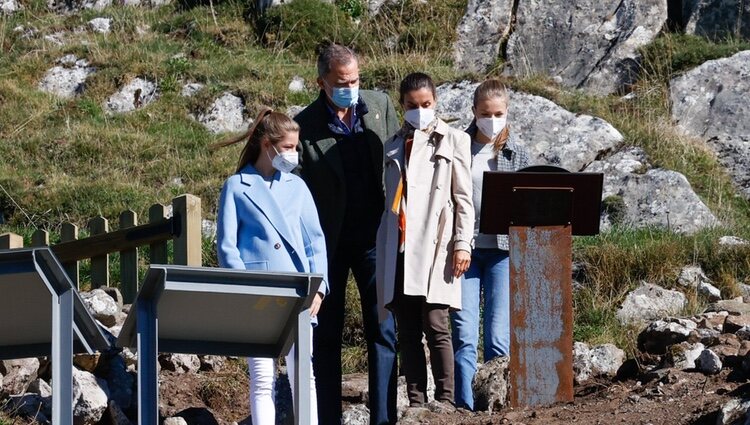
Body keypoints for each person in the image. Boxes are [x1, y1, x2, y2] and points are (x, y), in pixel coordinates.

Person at [294, 43, 400, 425]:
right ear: (321, 82)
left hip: (376, 238)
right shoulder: (304, 126)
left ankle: (385, 417)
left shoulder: (381, 105)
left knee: (384, 329)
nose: (350, 87)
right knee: (327, 337)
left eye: (355, 80)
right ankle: (327, 419)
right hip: (329, 245)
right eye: (341, 82)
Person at [216, 108, 328, 425]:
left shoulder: (298, 186)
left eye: (296, 146)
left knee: (302, 374)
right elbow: (227, 247)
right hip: (258, 293)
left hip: (298, 291)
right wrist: (245, 289)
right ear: (268, 144)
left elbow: (314, 242)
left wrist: (318, 290)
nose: (294, 153)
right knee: (263, 377)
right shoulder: (237, 186)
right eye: (289, 146)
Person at [376, 72, 474, 409]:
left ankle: (445, 400)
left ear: (436, 102)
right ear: (402, 105)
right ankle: (416, 401)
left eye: (426, 104)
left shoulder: (455, 140)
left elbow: (464, 199)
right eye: (412, 105)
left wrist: (463, 243)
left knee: (436, 324)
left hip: (436, 247)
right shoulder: (391, 143)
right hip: (400, 247)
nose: (420, 110)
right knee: (406, 331)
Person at [450, 79, 530, 411]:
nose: (492, 119)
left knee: (498, 336)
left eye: (499, 113)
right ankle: (465, 405)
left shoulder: (517, 153)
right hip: (464, 251)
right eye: (486, 113)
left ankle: (496, 404)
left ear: (507, 112)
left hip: (502, 251)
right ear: (474, 112)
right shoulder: (458, 146)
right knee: (464, 334)